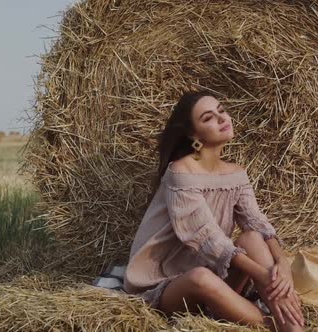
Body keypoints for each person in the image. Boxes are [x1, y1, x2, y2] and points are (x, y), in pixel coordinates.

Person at [124, 90, 305, 331]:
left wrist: (282, 263)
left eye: (221, 111)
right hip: (169, 285)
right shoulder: (181, 173)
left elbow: (257, 223)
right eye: (208, 118)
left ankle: (293, 327)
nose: (222, 119)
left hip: (216, 276)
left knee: (252, 239)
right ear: (192, 134)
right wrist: (263, 275)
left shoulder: (236, 173)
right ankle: (285, 328)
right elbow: (207, 239)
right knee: (201, 277)